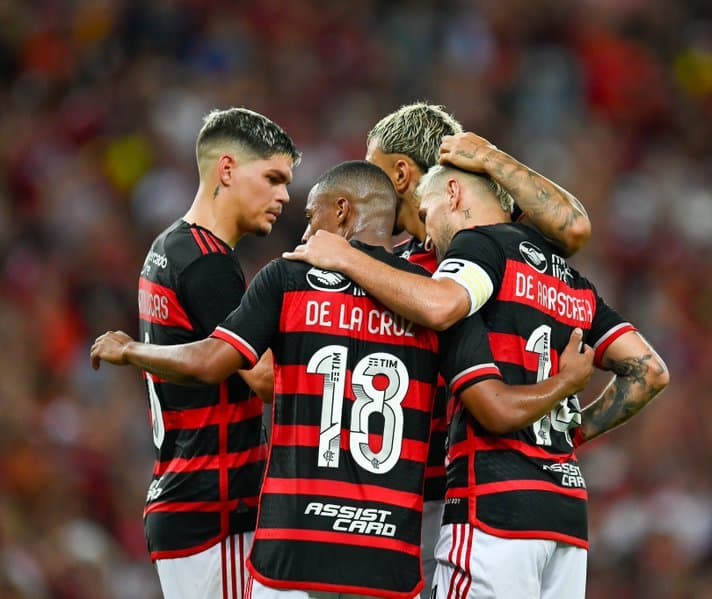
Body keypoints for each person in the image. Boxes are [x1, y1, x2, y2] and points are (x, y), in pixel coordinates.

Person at [92, 161, 596, 599]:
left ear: (341, 212)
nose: (306, 233)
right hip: (387, 558)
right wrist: (564, 384)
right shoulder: (434, 307)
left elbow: (210, 363)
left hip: (291, 550)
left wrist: (130, 349)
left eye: (311, 217)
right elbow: (495, 408)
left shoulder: (286, 279)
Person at [284, 164, 670, 598]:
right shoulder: (570, 280)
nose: (427, 237)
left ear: (453, 194)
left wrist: (344, 255)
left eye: (427, 215)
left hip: (494, 508)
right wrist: (571, 430)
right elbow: (649, 372)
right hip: (566, 519)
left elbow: (443, 311)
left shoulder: (477, 245)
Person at [357, 102, 595, 595]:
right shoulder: (388, 267)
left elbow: (573, 227)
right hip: (405, 490)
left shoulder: (492, 248)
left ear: (399, 172)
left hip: (466, 492)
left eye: (370, 167)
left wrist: (488, 157)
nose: (365, 184)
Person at [129, 107, 300, 599]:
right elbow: (266, 380)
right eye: (271, 178)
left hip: (183, 498)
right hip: (213, 511)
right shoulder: (209, 264)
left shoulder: (168, 246)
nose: (284, 196)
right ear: (227, 170)